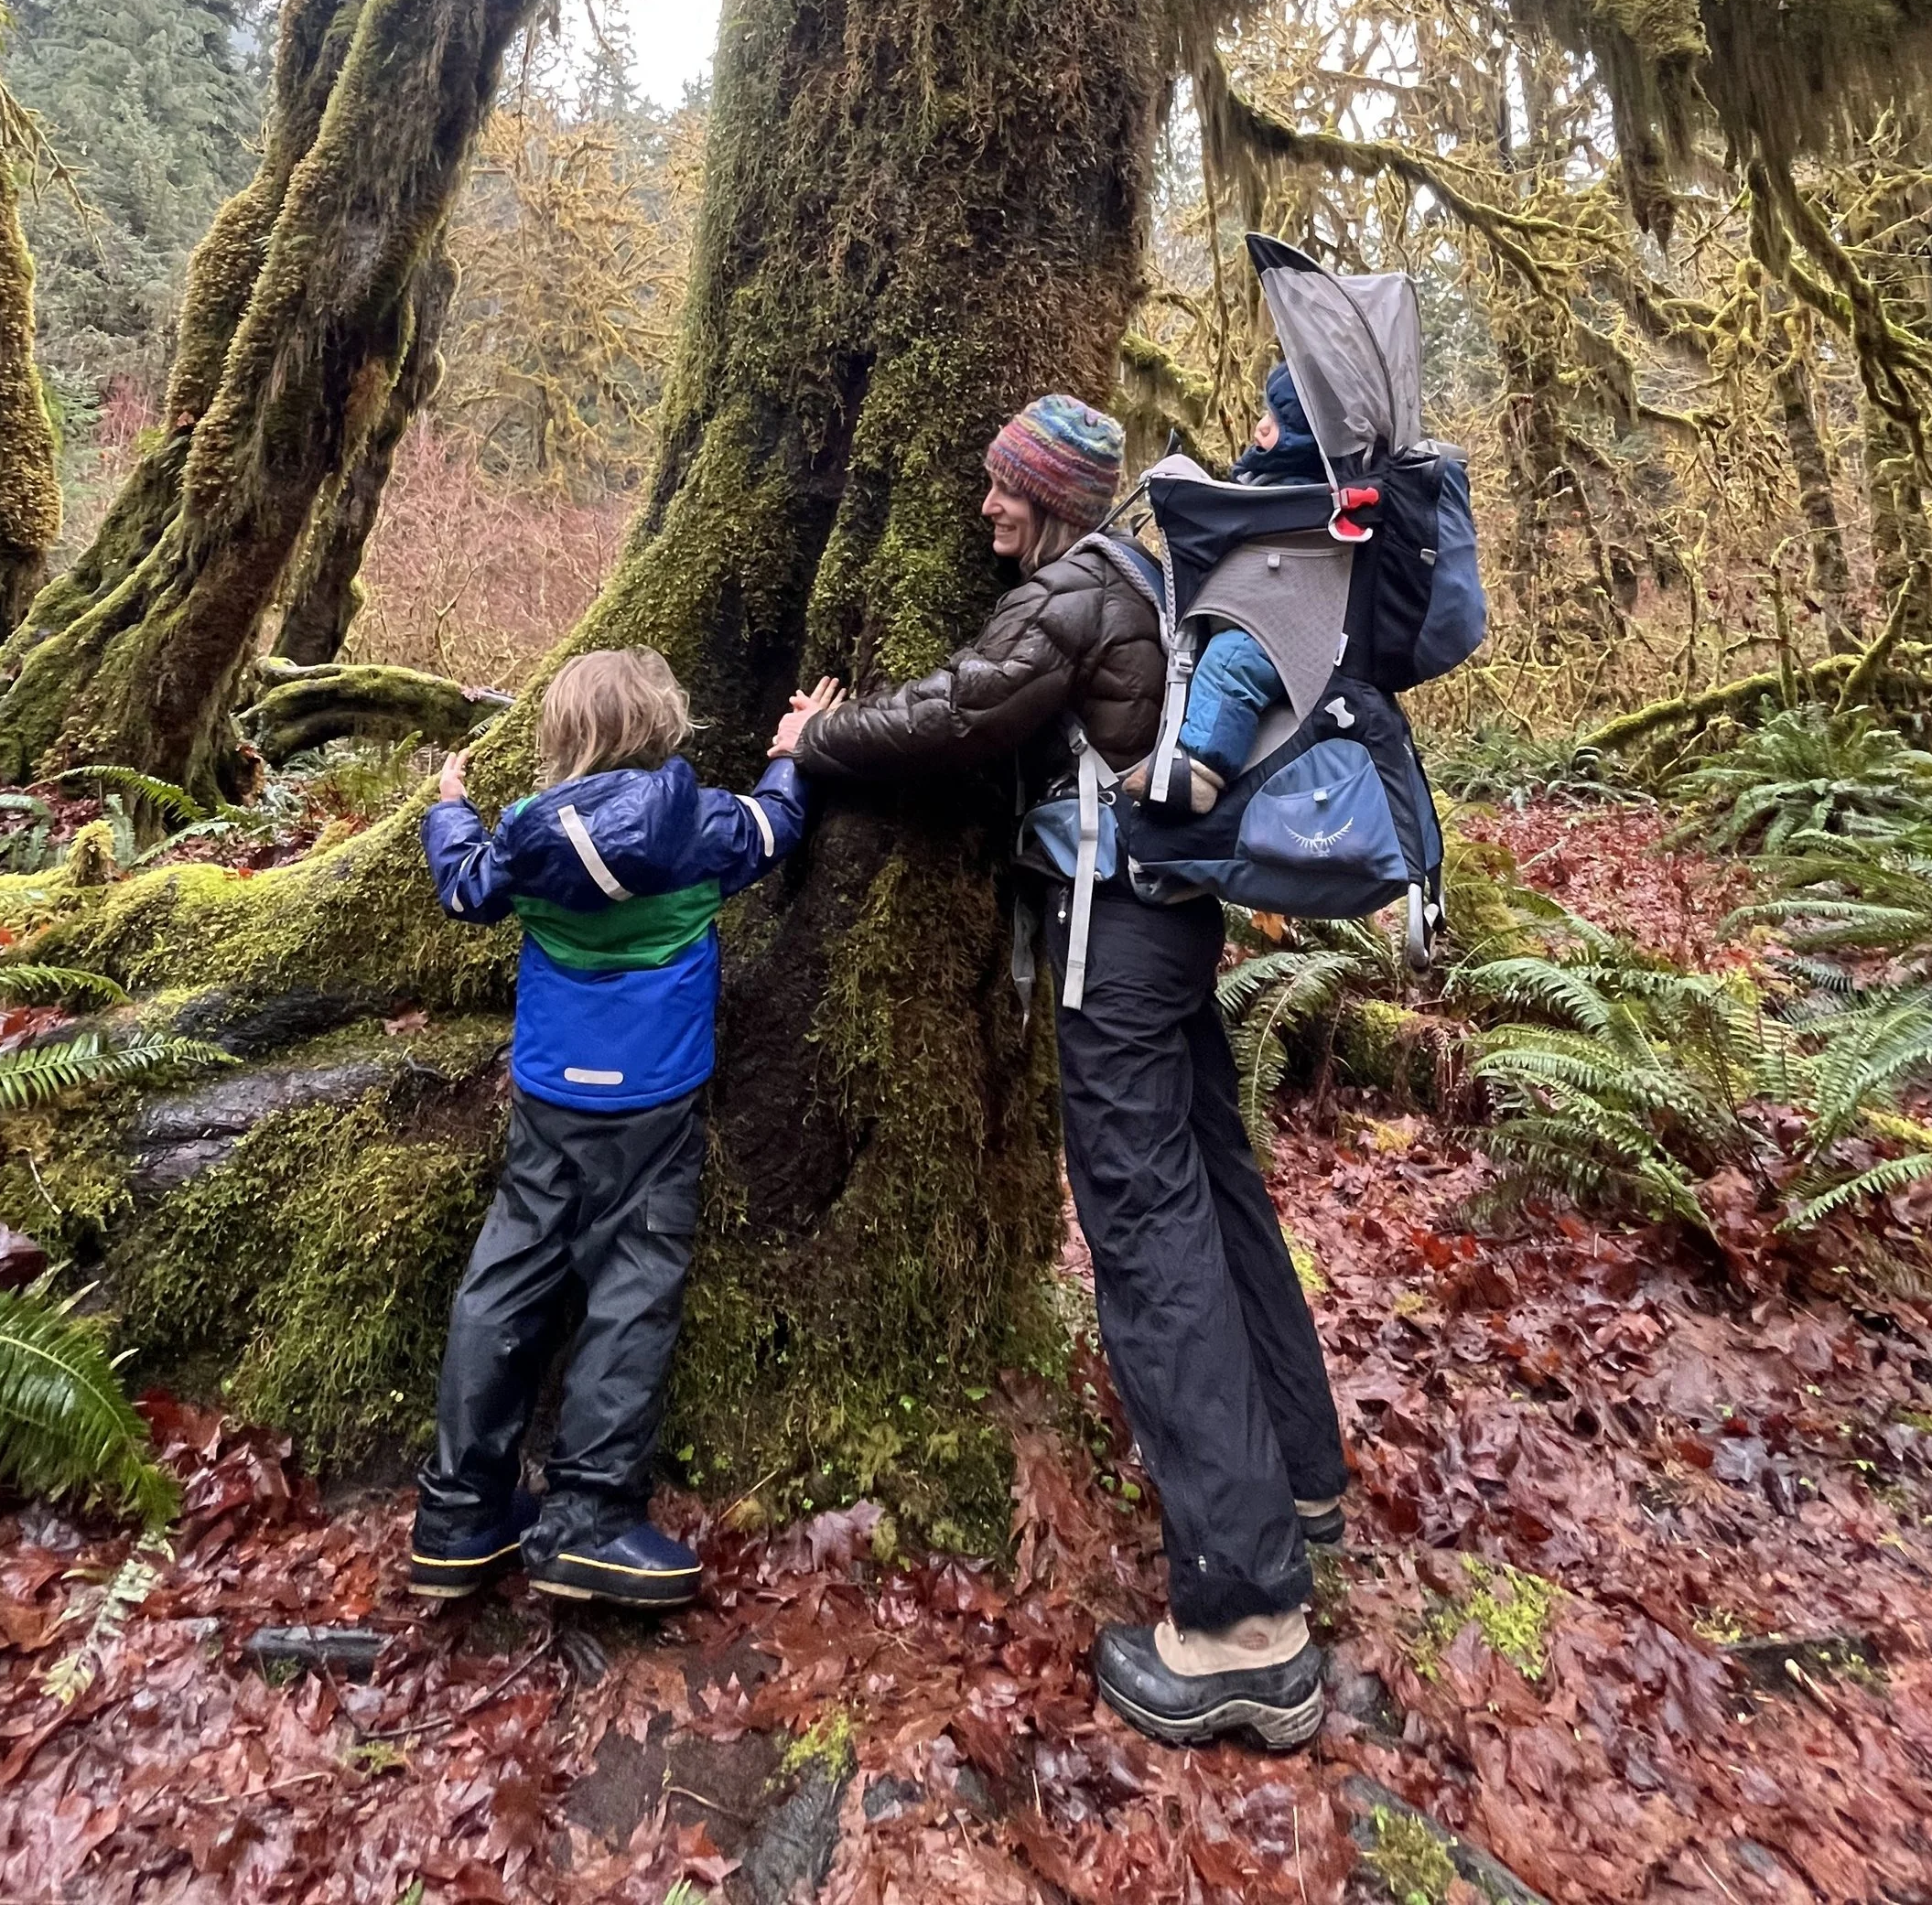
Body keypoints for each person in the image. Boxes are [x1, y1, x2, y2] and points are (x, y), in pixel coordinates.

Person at [776, 394, 1348, 1751]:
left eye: (1000, 490)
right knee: (1215, 1192)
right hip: (1172, 924)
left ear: (1052, 499)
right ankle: (1301, 1482)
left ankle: (1248, 1622)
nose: (984, 512)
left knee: (1146, 1233)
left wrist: (813, 744)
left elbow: (954, 713)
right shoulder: (1153, 585)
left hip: (1118, 943)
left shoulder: (1082, 592)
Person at [409, 644, 836, 1609]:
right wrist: (790, 753)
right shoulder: (700, 827)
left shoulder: (521, 837)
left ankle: (457, 1516)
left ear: (561, 736)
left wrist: (445, 807)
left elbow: (463, 886)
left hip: (554, 1094)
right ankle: (588, 1521)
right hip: (655, 1097)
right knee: (632, 1288)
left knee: (507, 1276)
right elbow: (775, 829)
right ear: (660, 727)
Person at [1130, 361, 1324, 814]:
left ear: (1306, 437)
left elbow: (1240, 517)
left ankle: (1198, 773)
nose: (1260, 425)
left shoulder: (1299, 493)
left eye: (1275, 420)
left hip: (1280, 631)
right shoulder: (1276, 481)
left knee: (1230, 664)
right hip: (1275, 618)